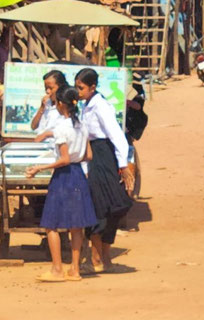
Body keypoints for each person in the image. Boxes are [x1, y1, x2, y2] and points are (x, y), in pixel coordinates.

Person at [25, 86, 97, 282]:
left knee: (51, 224)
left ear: (62, 105)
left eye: (57, 102)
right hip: (78, 175)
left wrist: (40, 167)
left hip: (63, 176)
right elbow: (88, 155)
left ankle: (57, 269)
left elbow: (64, 159)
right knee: (76, 225)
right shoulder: (82, 126)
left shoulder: (62, 129)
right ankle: (75, 269)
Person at [75, 68, 134, 273]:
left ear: (92, 87)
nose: (78, 91)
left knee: (106, 206)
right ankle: (99, 258)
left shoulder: (100, 106)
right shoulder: (85, 106)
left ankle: (99, 258)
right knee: (98, 206)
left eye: (81, 88)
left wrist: (122, 164)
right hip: (93, 157)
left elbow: (116, 135)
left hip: (104, 157)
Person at [30, 70, 68, 137]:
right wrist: (42, 108)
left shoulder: (65, 106)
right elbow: (33, 126)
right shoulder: (46, 104)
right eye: (46, 88)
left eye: (51, 88)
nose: (47, 91)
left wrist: (46, 135)